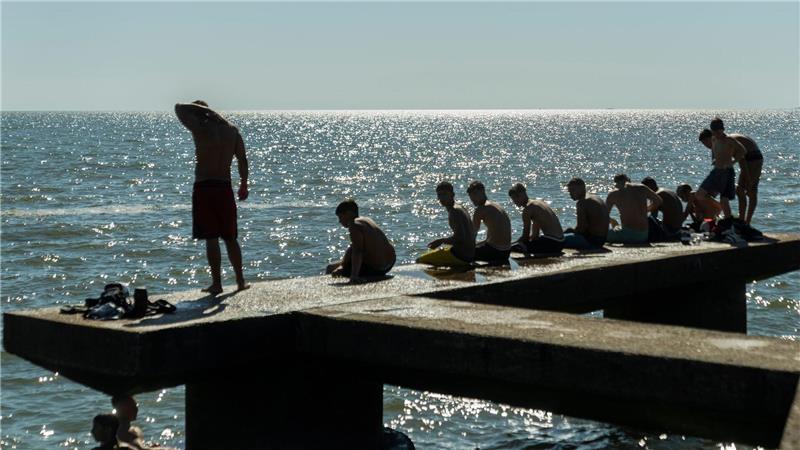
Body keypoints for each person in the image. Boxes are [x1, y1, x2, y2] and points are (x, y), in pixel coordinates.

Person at [175, 100, 249, 295]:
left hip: (204, 187)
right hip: (224, 187)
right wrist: (243, 183)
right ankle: (240, 281)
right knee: (230, 237)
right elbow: (242, 158)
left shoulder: (200, 128)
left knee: (212, 238)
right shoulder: (231, 130)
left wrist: (204, 111)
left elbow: (178, 107)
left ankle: (217, 283)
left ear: (200, 114)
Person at [699, 127, 763, 224]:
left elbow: (742, 160)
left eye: (705, 143)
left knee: (752, 190)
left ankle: (747, 222)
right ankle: (742, 220)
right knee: (740, 190)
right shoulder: (717, 143)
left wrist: (748, 178)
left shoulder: (726, 141)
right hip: (746, 156)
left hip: (753, 156)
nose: (706, 146)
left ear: (712, 137)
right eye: (703, 144)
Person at [326, 200, 396, 283]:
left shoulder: (354, 225)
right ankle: (342, 265)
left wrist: (354, 276)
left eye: (340, 217)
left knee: (330, 268)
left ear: (348, 213)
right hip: (390, 263)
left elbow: (358, 250)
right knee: (352, 248)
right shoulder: (366, 220)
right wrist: (342, 265)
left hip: (376, 268)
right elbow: (354, 248)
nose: (339, 221)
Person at [696, 117, 750, 220]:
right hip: (716, 171)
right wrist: (714, 159)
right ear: (712, 131)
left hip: (726, 172)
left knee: (724, 199)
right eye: (714, 132)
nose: (717, 134)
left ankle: (728, 220)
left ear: (723, 129)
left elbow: (743, 150)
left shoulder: (729, 140)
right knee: (699, 194)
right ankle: (717, 209)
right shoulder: (714, 139)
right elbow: (714, 150)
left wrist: (733, 162)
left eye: (718, 131)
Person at [419, 181, 475, 266]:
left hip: (463, 256)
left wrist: (441, 241)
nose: (441, 198)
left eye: (444, 194)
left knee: (421, 261)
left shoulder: (454, 211)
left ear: (452, 194)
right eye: (439, 195)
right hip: (470, 253)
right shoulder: (460, 207)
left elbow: (460, 237)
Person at [507, 183, 564, 254]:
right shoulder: (538, 203)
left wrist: (511, 244)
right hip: (561, 242)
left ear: (523, 194)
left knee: (513, 248)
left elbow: (525, 237)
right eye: (513, 199)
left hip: (552, 243)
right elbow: (535, 235)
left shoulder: (527, 209)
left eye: (516, 197)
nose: (515, 201)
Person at [605, 174, 662, 244]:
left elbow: (604, 215)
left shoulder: (613, 194)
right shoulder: (642, 187)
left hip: (627, 235)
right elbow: (658, 200)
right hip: (643, 235)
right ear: (629, 180)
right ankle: (616, 226)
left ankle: (615, 226)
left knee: (602, 235)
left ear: (616, 183)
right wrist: (647, 210)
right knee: (617, 227)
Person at [467, 181, 512, 264]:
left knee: (464, 252)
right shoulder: (495, 205)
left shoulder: (480, 209)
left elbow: (472, 235)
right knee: (478, 245)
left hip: (495, 252)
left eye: (475, 194)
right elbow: (492, 237)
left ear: (483, 192)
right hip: (506, 252)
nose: (472, 198)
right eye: (471, 195)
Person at [563, 178, 609, 250]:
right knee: (568, 231)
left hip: (592, 241)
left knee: (556, 240)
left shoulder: (582, 202)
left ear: (582, 188)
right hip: (602, 239)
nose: (570, 194)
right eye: (569, 191)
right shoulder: (595, 197)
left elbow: (581, 229)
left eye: (573, 190)